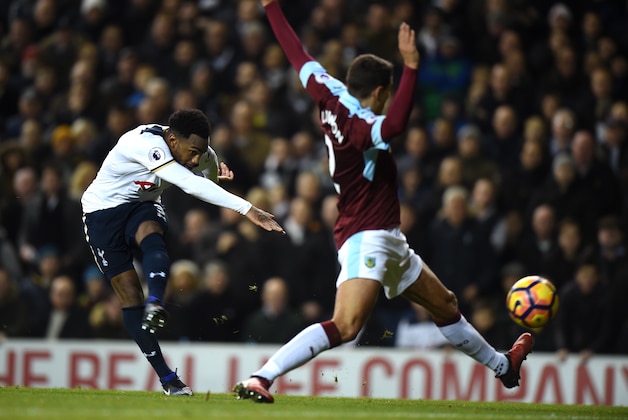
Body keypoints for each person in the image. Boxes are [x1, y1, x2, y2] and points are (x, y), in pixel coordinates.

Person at [233, 0, 533, 404]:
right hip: (365, 234)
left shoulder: (328, 92)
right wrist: (411, 67)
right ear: (380, 91)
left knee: (445, 304)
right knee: (347, 324)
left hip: (388, 236)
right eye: (389, 91)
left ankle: (504, 366)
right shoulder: (363, 127)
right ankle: (261, 377)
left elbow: (297, 54)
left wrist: (271, 7)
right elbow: (395, 125)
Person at [81, 108, 285, 396]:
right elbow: (190, 184)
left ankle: (155, 302)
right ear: (172, 141)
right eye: (191, 152)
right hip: (102, 212)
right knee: (128, 293)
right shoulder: (146, 145)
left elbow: (206, 179)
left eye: (200, 153)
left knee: (151, 230)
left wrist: (213, 179)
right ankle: (166, 378)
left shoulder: (201, 152)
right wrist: (247, 208)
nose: (195, 159)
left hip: (142, 204)